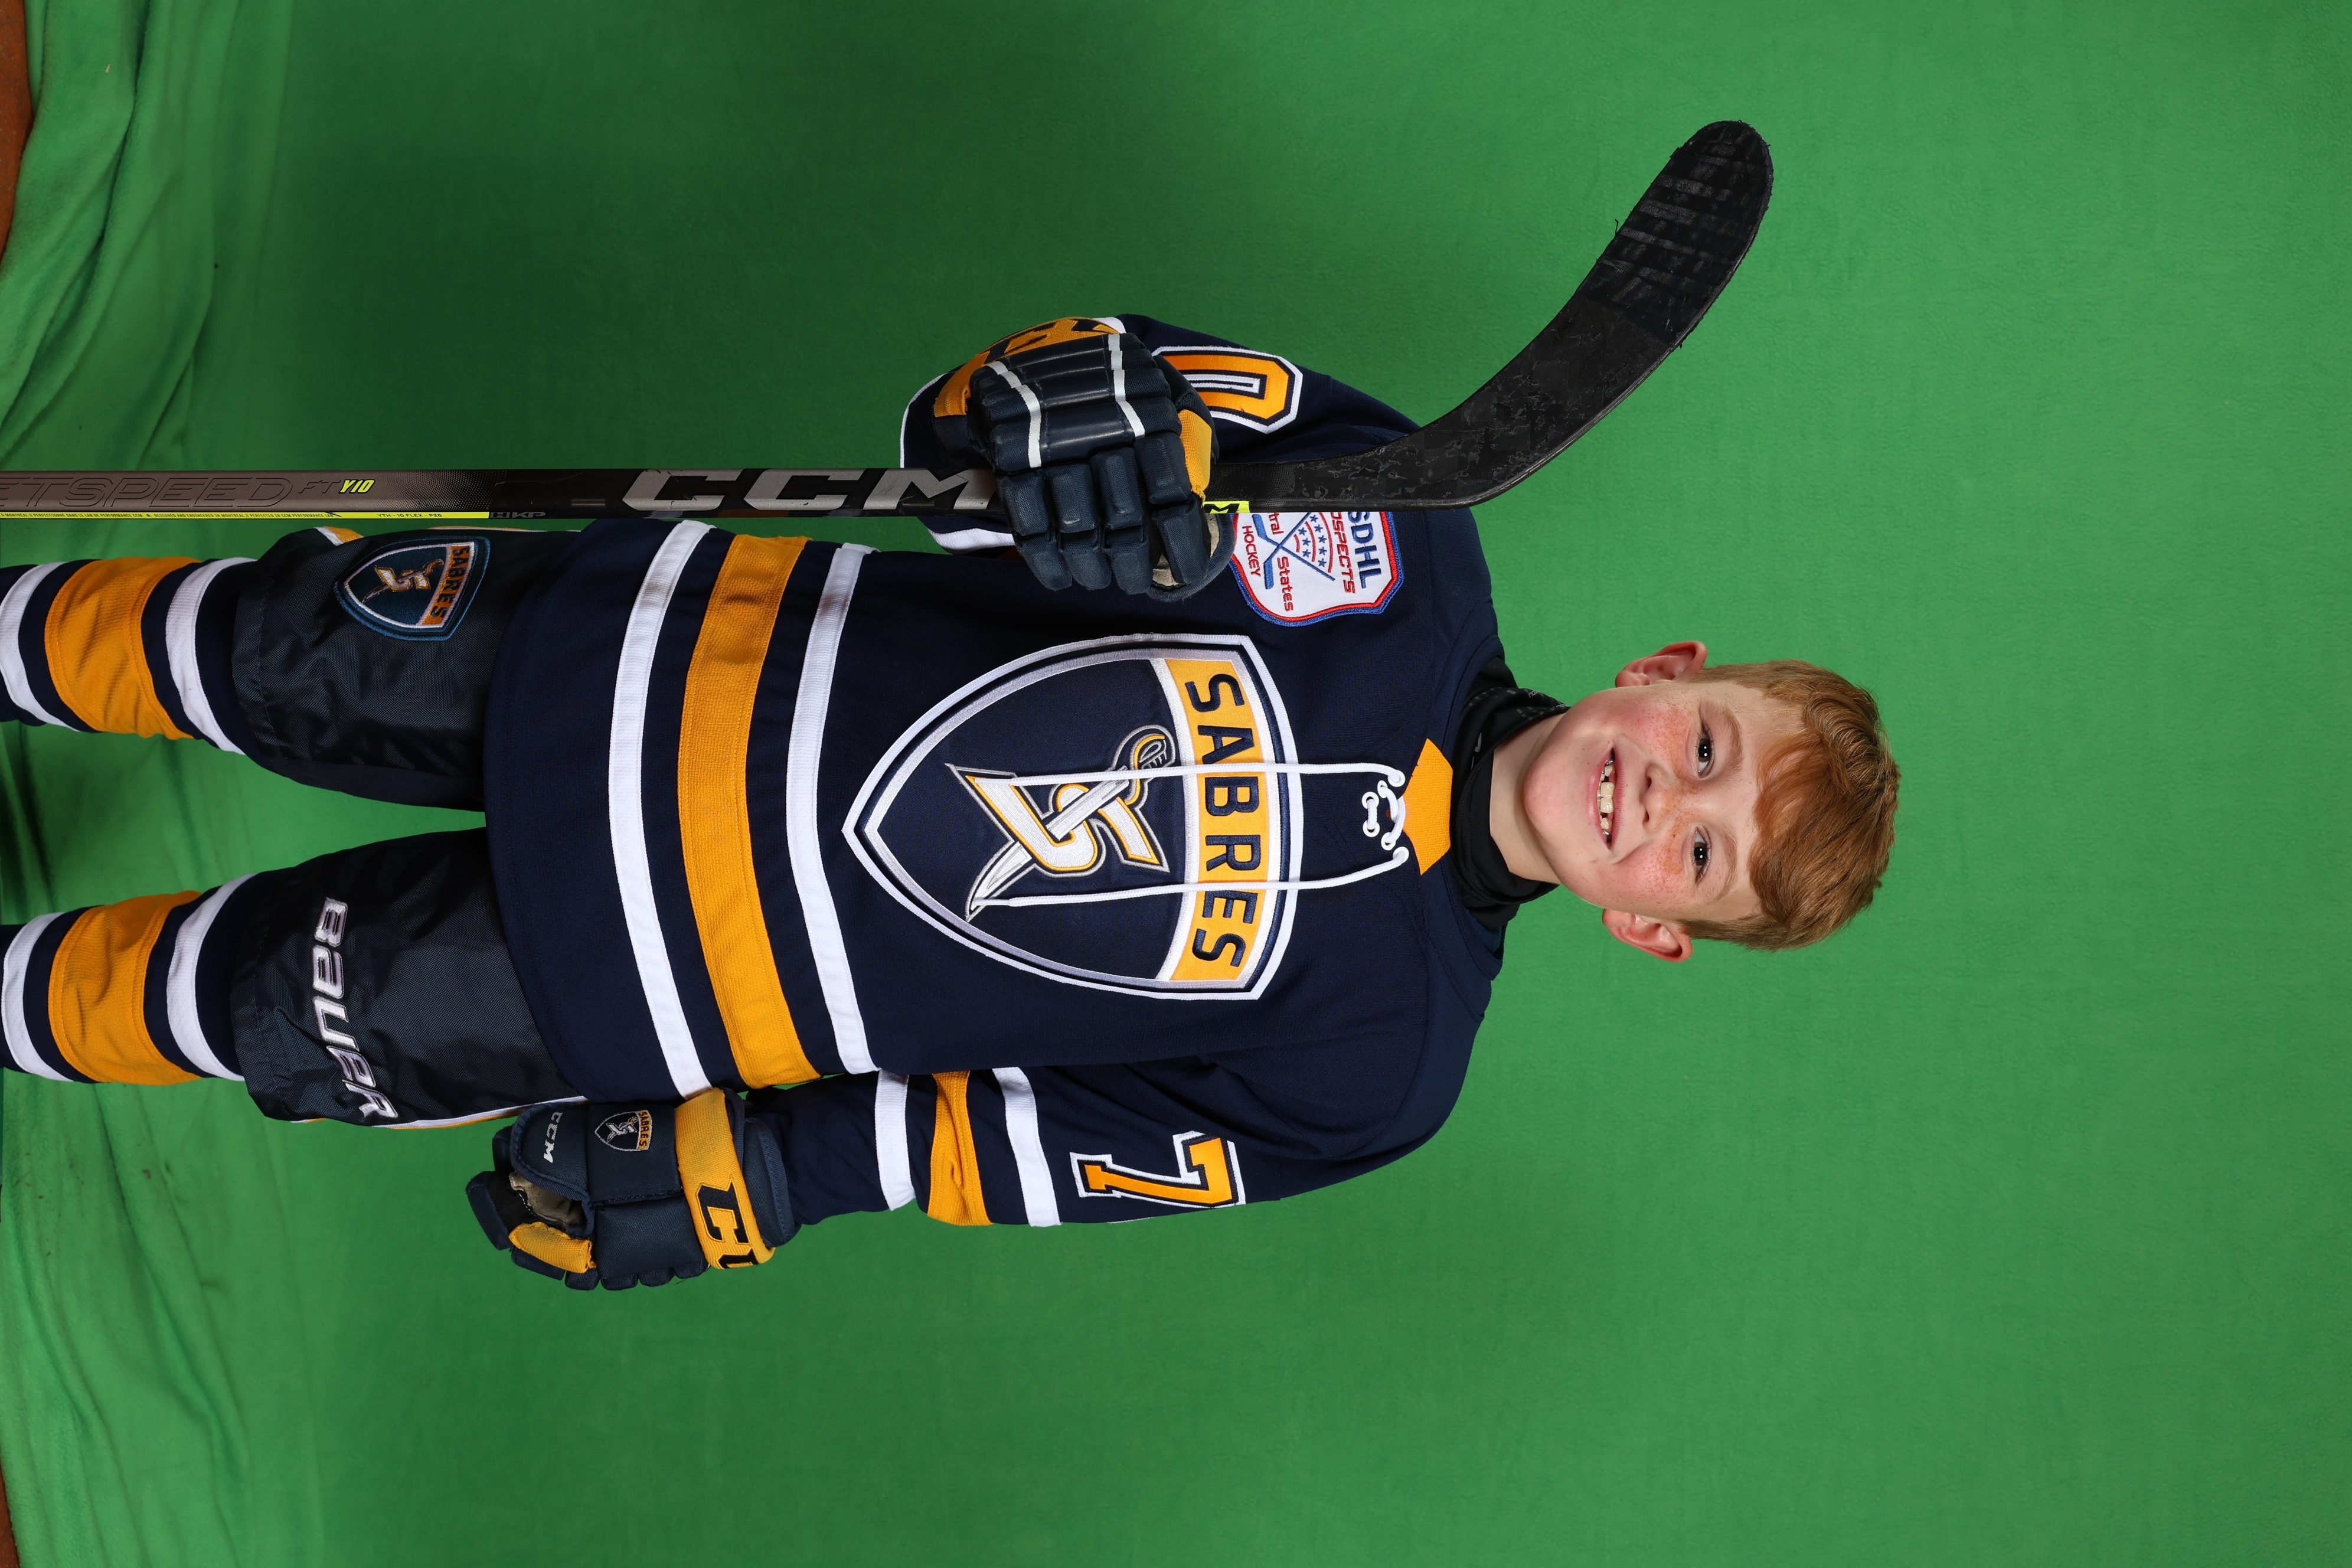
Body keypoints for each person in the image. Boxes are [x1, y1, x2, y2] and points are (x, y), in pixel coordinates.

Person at [0, 311, 1899, 1291]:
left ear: (1652, 926)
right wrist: (1068, 410)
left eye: (1699, 854)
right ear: (1667, 669)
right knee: (239, 646)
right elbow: (993, 406)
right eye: (1708, 744)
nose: (1662, 798)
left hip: (649, 984)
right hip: (641, 654)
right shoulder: (1398, 526)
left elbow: (1035, 1144)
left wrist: (775, 1178)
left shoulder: (1384, 1073)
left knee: (221, 999)